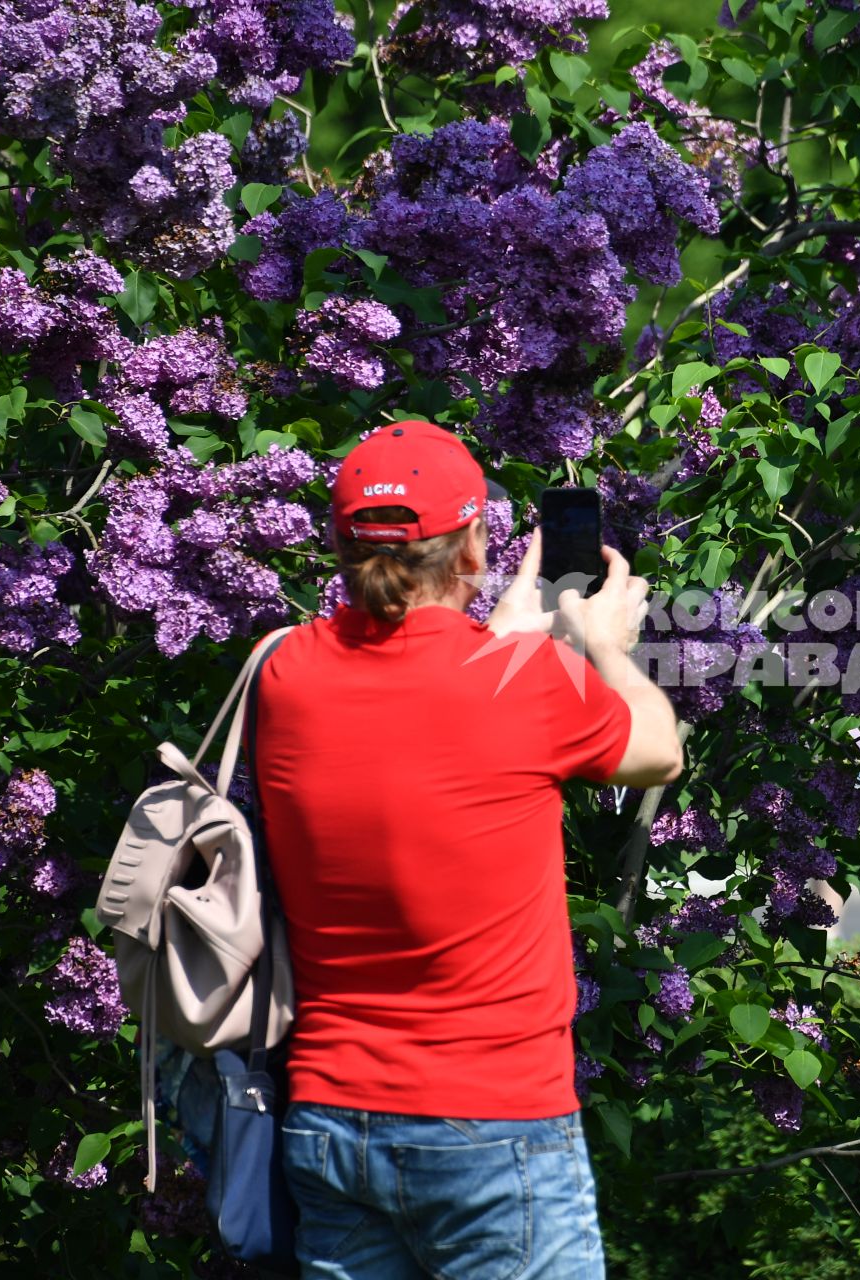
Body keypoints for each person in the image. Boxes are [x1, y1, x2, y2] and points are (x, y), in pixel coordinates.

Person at [253, 420, 683, 1279]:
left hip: (332, 1116)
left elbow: (416, 693)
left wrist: (505, 636)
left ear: (342, 544)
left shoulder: (284, 672)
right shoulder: (523, 681)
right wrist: (605, 646)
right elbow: (656, 748)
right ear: (477, 550)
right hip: (494, 1123)